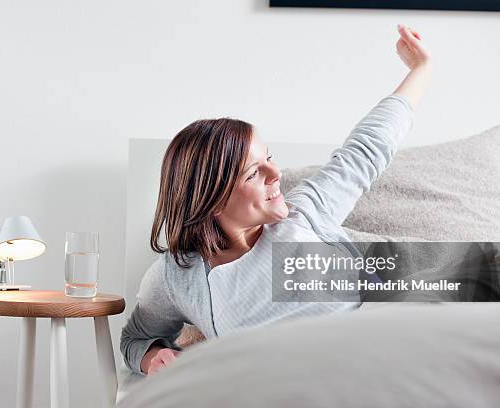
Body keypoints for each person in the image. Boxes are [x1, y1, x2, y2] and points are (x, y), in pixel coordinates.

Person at [121, 24, 433, 375]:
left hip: (386, 346)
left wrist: (420, 70)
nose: (276, 175)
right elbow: (136, 338)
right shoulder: (177, 277)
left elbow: (365, 150)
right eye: (254, 174)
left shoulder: (304, 213)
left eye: (270, 158)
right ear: (213, 201)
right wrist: (152, 359)